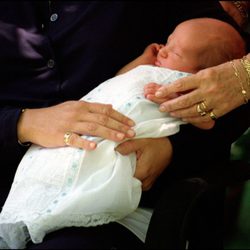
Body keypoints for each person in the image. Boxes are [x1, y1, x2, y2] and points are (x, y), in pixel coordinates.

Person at [0, 1, 249, 249]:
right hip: (13, 189)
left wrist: (172, 147)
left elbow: (234, 85)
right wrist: (22, 123)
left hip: (117, 206)